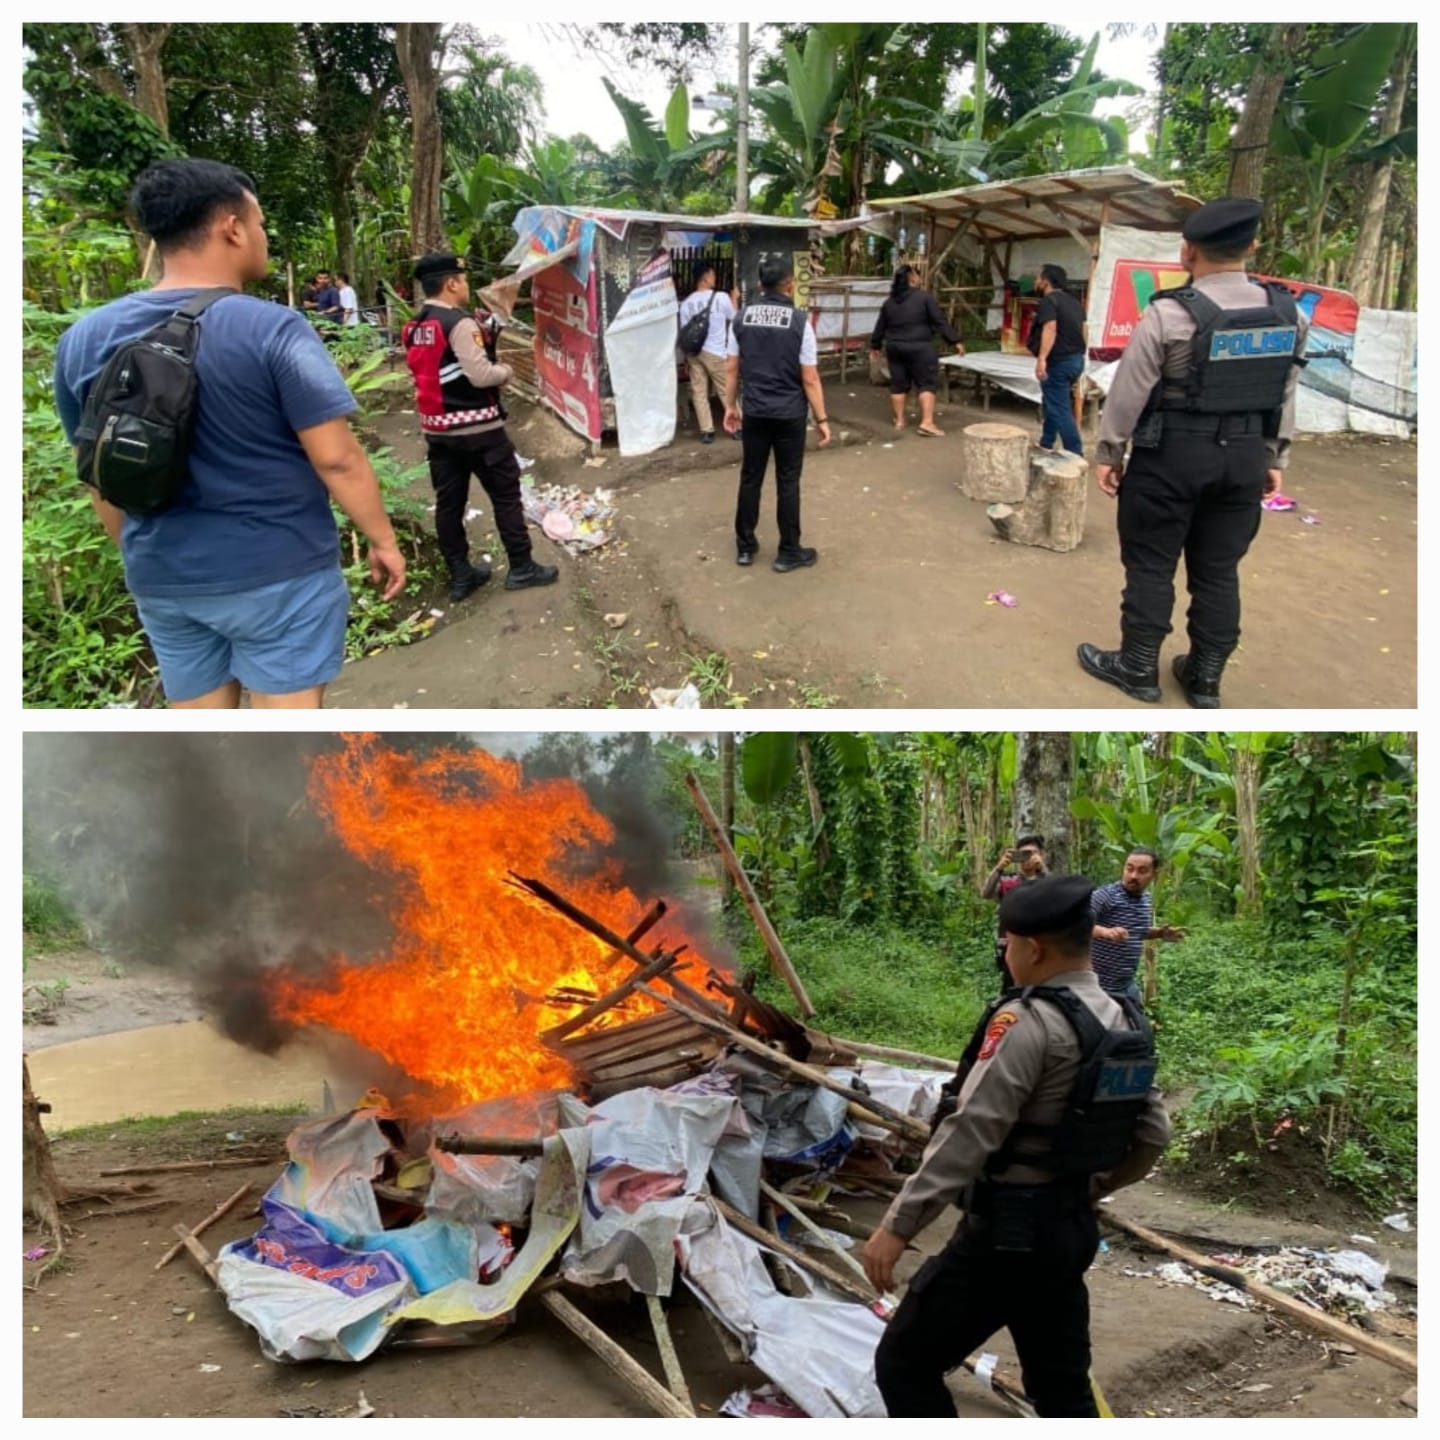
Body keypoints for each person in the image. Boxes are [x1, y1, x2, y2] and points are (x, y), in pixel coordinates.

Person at [53, 157, 406, 709]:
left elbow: (96, 474)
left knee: (210, 747)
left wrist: (145, 555)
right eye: (260, 223)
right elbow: (337, 459)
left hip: (163, 579)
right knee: (283, 754)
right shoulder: (273, 328)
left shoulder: (83, 338)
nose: (263, 235)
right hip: (276, 571)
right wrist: (382, 541)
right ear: (233, 228)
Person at [863, 875, 1171, 1418]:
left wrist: (899, 1224)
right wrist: (1092, 1183)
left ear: (1032, 947)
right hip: (1070, 1227)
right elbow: (1152, 1134)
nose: (1004, 955)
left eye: (1005, 944)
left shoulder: (1028, 1021)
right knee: (1061, 1387)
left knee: (905, 1364)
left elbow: (971, 1129)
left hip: (1006, 1237)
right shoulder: (1122, 1017)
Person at [1077, 197, 1307, 707]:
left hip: (1172, 458)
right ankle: (1204, 678)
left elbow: (1129, 393)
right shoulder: (1287, 312)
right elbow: (1284, 390)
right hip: (1246, 458)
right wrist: (1274, 457)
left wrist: (1110, 454)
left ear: (1187, 252)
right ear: (1252, 246)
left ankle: (1137, 668)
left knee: (1152, 565)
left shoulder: (1169, 313)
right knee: (1219, 571)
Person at [402, 251, 557, 601]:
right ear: (451, 283)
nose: (467, 286)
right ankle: (522, 567)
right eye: (464, 280)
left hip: (437, 433)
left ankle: (461, 575)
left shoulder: (414, 326)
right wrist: (506, 372)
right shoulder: (458, 323)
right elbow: (480, 375)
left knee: (449, 504)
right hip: (479, 432)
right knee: (506, 496)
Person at [723, 254, 830, 572]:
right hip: (789, 415)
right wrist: (822, 419)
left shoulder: (741, 318)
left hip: (755, 411)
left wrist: (731, 406)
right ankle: (788, 552)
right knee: (788, 481)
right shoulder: (800, 322)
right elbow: (809, 377)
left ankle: (745, 547)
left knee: (750, 477)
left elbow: (731, 368)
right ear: (790, 284)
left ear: (760, 284)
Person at [869, 264, 963, 436]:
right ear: (912, 278)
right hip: (920, 347)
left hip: (895, 347)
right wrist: (955, 340)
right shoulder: (924, 298)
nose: (920, 279)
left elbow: (880, 326)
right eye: (918, 276)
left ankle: (899, 420)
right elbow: (939, 321)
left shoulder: (889, 302)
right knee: (926, 383)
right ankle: (927, 423)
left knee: (898, 384)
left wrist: (875, 345)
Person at [1089, 847, 1185, 1006]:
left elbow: (1137, 931)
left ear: (1154, 875)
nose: (1133, 876)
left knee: (1139, 1028)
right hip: (1098, 988)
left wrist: (1160, 933)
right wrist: (1105, 932)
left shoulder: (1146, 900)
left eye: (1142, 871)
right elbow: (1076, 923)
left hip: (1126, 986)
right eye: (1130, 868)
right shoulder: (1105, 895)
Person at [1030, 264, 1087, 456]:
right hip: (1076, 359)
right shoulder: (1074, 302)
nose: (1035, 281)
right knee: (1052, 402)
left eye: (1038, 278)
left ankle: (1075, 452)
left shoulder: (1049, 301)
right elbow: (1083, 330)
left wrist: (1042, 358)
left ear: (1046, 281)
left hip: (1059, 361)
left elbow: (1050, 327)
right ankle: (1046, 442)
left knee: (1060, 408)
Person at [678, 264, 738, 445]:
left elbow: (684, 333)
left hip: (694, 353)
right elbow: (735, 318)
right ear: (705, 278)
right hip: (715, 352)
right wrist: (734, 298)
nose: (715, 278)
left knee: (699, 391)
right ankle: (736, 426)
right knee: (726, 390)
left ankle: (707, 431)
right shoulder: (720, 297)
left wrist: (686, 358)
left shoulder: (686, 302)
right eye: (712, 275)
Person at [980, 835, 1048, 981]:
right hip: (1010, 947)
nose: (1027, 858)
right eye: (1023, 854)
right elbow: (986, 894)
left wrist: (1043, 868)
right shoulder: (1008, 880)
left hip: (1040, 946)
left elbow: (1057, 896)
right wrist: (999, 868)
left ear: (1040, 855)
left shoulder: (1046, 881)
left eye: (1032, 853)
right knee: (1011, 989)